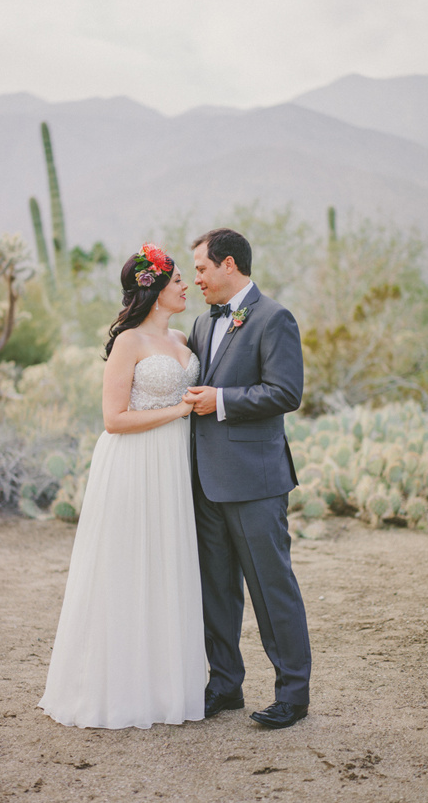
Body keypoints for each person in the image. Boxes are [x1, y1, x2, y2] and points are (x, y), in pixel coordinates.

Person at [38, 244, 206, 730]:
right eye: (177, 280)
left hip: (173, 463)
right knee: (128, 565)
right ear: (153, 288)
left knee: (166, 563)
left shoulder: (181, 336)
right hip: (134, 462)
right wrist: (179, 410)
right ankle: (117, 690)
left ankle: (166, 688)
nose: (186, 286)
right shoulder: (129, 342)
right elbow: (114, 419)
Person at [184, 228, 311, 730]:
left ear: (228, 264)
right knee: (216, 589)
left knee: (271, 587)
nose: (196, 278)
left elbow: (285, 392)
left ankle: (293, 694)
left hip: (256, 483)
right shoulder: (199, 322)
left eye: (201, 268)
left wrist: (223, 401)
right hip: (205, 481)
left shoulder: (274, 317)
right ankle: (225, 685)